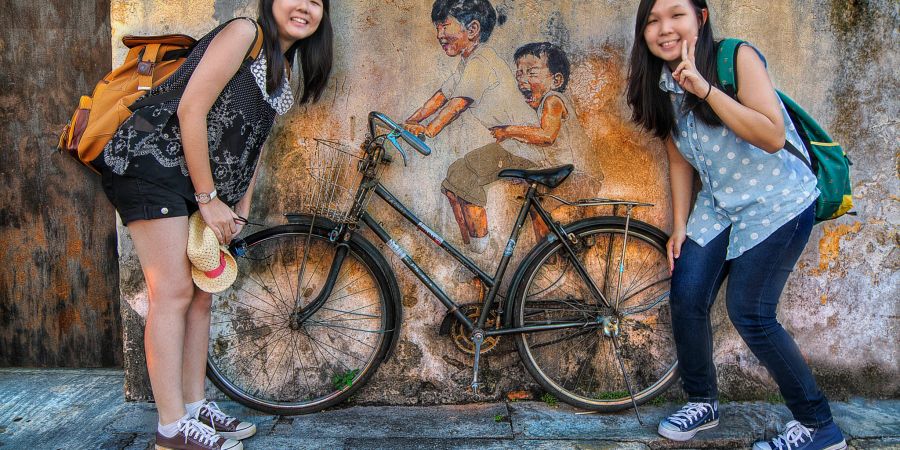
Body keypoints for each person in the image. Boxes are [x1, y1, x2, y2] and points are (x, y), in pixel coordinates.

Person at [94, 1, 332, 448]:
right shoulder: (244, 33)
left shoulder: (281, 64)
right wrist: (208, 200)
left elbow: (255, 144)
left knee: (202, 294)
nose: (304, 6)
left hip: (195, 184)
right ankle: (170, 429)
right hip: (152, 166)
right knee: (174, 292)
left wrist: (238, 205)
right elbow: (191, 110)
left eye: (316, 1)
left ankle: (192, 407)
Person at [626, 1, 846, 449]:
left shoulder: (735, 57)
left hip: (777, 203)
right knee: (686, 295)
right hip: (721, 205)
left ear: (701, 18)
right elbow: (678, 156)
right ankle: (702, 402)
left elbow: (770, 136)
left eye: (676, 15)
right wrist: (680, 225)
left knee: (751, 312)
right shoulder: (660, 79)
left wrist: (706, 90)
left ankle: (821, 428)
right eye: (652, 20)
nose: (664, 29)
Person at [403, 0, 538, 253]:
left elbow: (458, 104)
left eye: (444, 26)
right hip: (511, 146)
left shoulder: (482, 61)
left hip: (522, 146)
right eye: (437, 27)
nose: (439, 35)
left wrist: (429, 130)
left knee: (463, 179)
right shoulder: (469, 62)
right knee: (453, 183)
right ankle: (472, 249)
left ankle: (482, 255)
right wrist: (410, 122)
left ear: (473, 29)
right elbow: (441, 96)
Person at [490, 42, 604, 240]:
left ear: (556, 80)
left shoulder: (553, 100)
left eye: (532, 73)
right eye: (519, 73)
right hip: (568, 173)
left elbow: (546, 137)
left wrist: (508, 131)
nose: (523, 79)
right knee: (534, 202)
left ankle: (549, 254)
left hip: (579, 175)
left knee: (538, 204)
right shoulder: (544, 104)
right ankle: (551, 250)